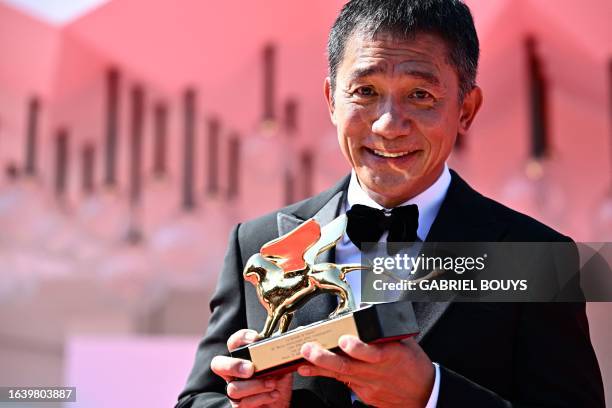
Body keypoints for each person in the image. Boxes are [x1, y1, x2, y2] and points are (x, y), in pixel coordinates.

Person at [176, 0, 605, 407]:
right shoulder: (261, 241)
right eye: (365, 90)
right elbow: (198, 399)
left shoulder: (534, 257)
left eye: (420, 95)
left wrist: (431, 395)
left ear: (466, 109)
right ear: (330, 99)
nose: (388, 124)